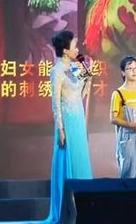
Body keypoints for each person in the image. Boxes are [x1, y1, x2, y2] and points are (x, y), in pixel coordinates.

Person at [43, 30, 93, 224]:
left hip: (78, 119)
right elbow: (55, 103)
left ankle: (84, 209)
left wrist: (87, 74)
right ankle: (67, 213)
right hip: (67, 123)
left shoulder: (74, 67)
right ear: (65, 50)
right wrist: (61, 130)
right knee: (67, 162)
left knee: (80, 159)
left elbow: (82, 94)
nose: (77, 49)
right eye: (74, 46)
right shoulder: (56, 71)